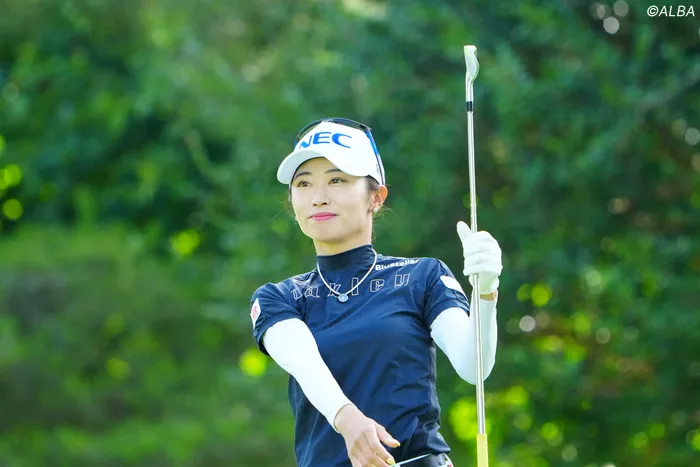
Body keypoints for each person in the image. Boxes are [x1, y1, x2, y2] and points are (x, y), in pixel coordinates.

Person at [249, 118, 502, 467]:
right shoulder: (280, 297)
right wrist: (347, 419)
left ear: (376, 197)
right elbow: (304, 364)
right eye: (304, 184)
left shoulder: (421, 277)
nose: (318, 198)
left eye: (337, 180)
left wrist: (486, 291)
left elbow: (474, 367)